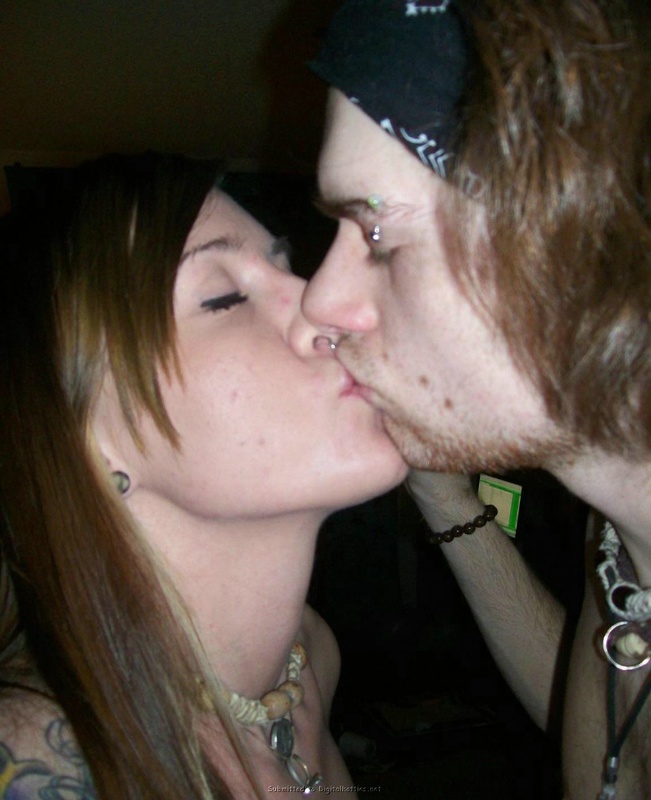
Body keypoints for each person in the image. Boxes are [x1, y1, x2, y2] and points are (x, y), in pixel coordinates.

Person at [301, 0, 651, 797]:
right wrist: (440, 490)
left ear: (586, 224)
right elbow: (607, 742)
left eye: (375, 232)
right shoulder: (617, 541)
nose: (317, 302)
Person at [0, 152, 408, 799]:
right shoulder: (40, 754)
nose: (327, 306)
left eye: (286, 264)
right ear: (91, 445)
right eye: (224, 299)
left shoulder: (306, 661)